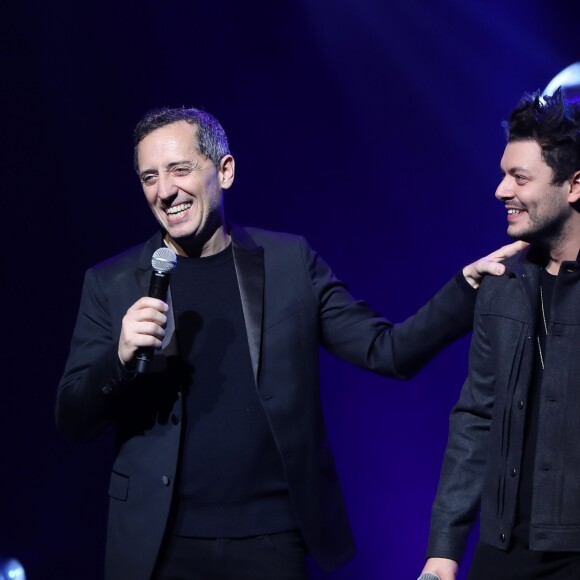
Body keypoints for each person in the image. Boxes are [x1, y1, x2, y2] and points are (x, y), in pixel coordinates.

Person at [56, 107, 522, 580]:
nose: (164, 191)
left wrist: (465, 288)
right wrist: (118, 358)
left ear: (225, 170)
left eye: (180, 170)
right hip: (159, 547)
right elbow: (72, 419)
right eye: (149, 177)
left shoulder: (288, 263)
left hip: (270, 541)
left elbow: (388, 351)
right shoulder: (112, 283)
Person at [420, 88, 580, 580]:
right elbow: (476, 420)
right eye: (503, 174)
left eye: (519, 177)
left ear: (573, 186)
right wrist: (443, 552)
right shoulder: (502, 287)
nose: (501, 191)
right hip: (503, 553)